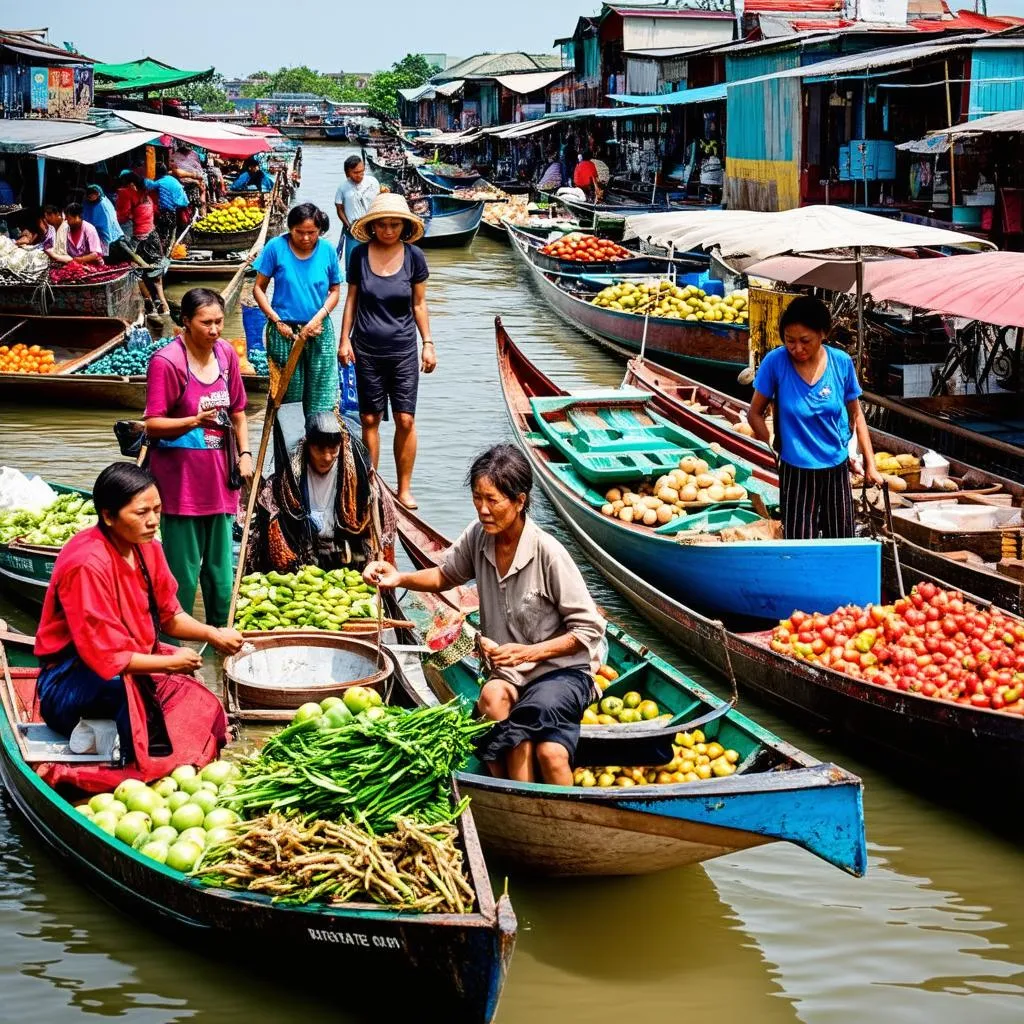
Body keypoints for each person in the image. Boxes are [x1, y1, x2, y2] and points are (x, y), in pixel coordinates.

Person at [364, 445, 605, 785]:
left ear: (520, 501)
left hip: (559, 672)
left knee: (548, 750)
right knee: (493, 700)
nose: (483, 509)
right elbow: (444, 576)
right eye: (478, 498)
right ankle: (518, 796)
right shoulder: (479, 537)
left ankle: (548, 810)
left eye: (493, 500)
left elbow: (588, 631)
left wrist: (528, 652)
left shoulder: (548, 552)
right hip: (509, 672)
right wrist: (398, 577)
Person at [34, 463, 241, 770]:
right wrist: (170, 663)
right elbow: (106, 658)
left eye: (157, 510)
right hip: (70, 680)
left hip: (128, 664)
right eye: (141, 512)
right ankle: (130, 771)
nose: (153, 521)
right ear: (108, 516)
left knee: (199, 696)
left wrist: (213, 633)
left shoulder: (148, 549)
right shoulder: (86, 564)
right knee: (128, 695)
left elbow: (171, 616)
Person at [144, 288, 252, 625]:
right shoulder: (167, 363)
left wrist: (245, 453)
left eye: (219, 321)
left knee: (221, 576)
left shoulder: (225, 356)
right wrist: (193, 420)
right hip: (180, 485)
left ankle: (223, 640)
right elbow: (152, 424)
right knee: (183, 575)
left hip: (220, 478)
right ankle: (175, 647)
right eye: (206, 323)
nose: (215, 330)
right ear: (186, 322)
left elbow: (238, 412)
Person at [747, 295, 883, 540]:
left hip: (835, 467)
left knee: (841, 538)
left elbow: (857, 415)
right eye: (790, 341)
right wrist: (770, 443)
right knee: (799, 541)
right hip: (795, 469)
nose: (797, 348)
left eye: (805, 341)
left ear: (823, 334)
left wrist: (871, 465)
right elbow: (754, 413)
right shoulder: (775, 362)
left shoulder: (840, 363)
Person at [340, 193, 433, 511]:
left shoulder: (414, 256)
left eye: (395, 225)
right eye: (383, 225)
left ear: (404, 226)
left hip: (404, 349)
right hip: (366, 349)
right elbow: (351, 299)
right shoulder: (359, 256)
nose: (389, 230)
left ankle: (404, 488)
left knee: (406, 419)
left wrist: (428, 343)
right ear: (373, 226)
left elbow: (419, 303)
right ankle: (370, 483)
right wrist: (344, 340)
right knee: (369, 417)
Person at [247, 411, 386, 573]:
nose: (327, 457)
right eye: (320, 449)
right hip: (303, 548)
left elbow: (366, 516)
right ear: (308, 445)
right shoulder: (291, 477)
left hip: (343, 548)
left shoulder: (354, 474)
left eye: (333, 449)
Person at [253, 203, 342, 416]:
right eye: (299, 232)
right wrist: (276, 320)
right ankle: (288, 446)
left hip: (318, 329)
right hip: (284, 331)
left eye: (311, 233)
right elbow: (258, 288)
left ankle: (318, 443)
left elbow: (335, 291)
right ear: (290, 228)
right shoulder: (276, 247)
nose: (305, 238)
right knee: (287, 396)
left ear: (320, 231)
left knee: (322, 393)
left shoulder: (327, 251)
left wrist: (316, 320)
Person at [116, 172, 170, 314]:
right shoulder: (147, 196)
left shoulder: (128, 194)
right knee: (156, 274)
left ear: (130, 184)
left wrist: (129, 215)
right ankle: (164, 306)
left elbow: (122, 217)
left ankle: (150, 305)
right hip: (153, 236)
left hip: (139, 239)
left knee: (135, 272)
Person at [334, 154, 380, 276]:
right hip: (353, 230)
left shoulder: (373, 182)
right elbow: (339, 209)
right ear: (347, 173)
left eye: (362, 171)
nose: (360, 175)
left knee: (373, 263)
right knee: (352, 267)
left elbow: (380, 201)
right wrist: (348, 225)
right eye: (355, 172)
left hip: (372, 228)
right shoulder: (343, 187)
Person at [83, 183, 133, 263]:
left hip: (105, 231)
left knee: (108, 251)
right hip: (92, 230)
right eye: (89, 195)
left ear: (98, 194)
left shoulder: (103, 204)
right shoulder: (87, 203)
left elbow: (107, 223)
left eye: (93, 194)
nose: (91, 197)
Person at [148, 162, 191, 247]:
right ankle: (177, 246)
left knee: (165, 232)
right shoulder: (172, 179)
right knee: (175, 231)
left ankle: (168, 250)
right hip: (181, 207)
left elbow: (147, 187)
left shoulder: (159, 182)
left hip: (169, 210)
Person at [169, 141, 208, 215]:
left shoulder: (194, 154)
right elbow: (175, 172)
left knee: (201, 199)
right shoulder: (174, 156)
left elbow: (198, 168)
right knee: (186, 209)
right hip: (184, 186)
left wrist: (198, 179)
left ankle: (203, 217)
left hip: (197, 184)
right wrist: (194, 178)